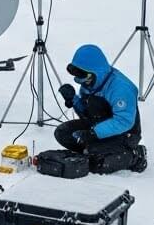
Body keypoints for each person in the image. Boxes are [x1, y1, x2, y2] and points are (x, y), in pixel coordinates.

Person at [54, 43, 146, 173]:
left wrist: (93, 134)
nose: (82, 82)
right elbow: (87, 113)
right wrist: (73, 99)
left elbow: (124, 121)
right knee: (62, 133)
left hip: (124, 134)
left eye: (84, 77)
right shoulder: (90, 82)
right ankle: (96, 151)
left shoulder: (121, 88)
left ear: (95, 71)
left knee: (97, 164)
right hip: (97, 127)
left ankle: (134, 156)